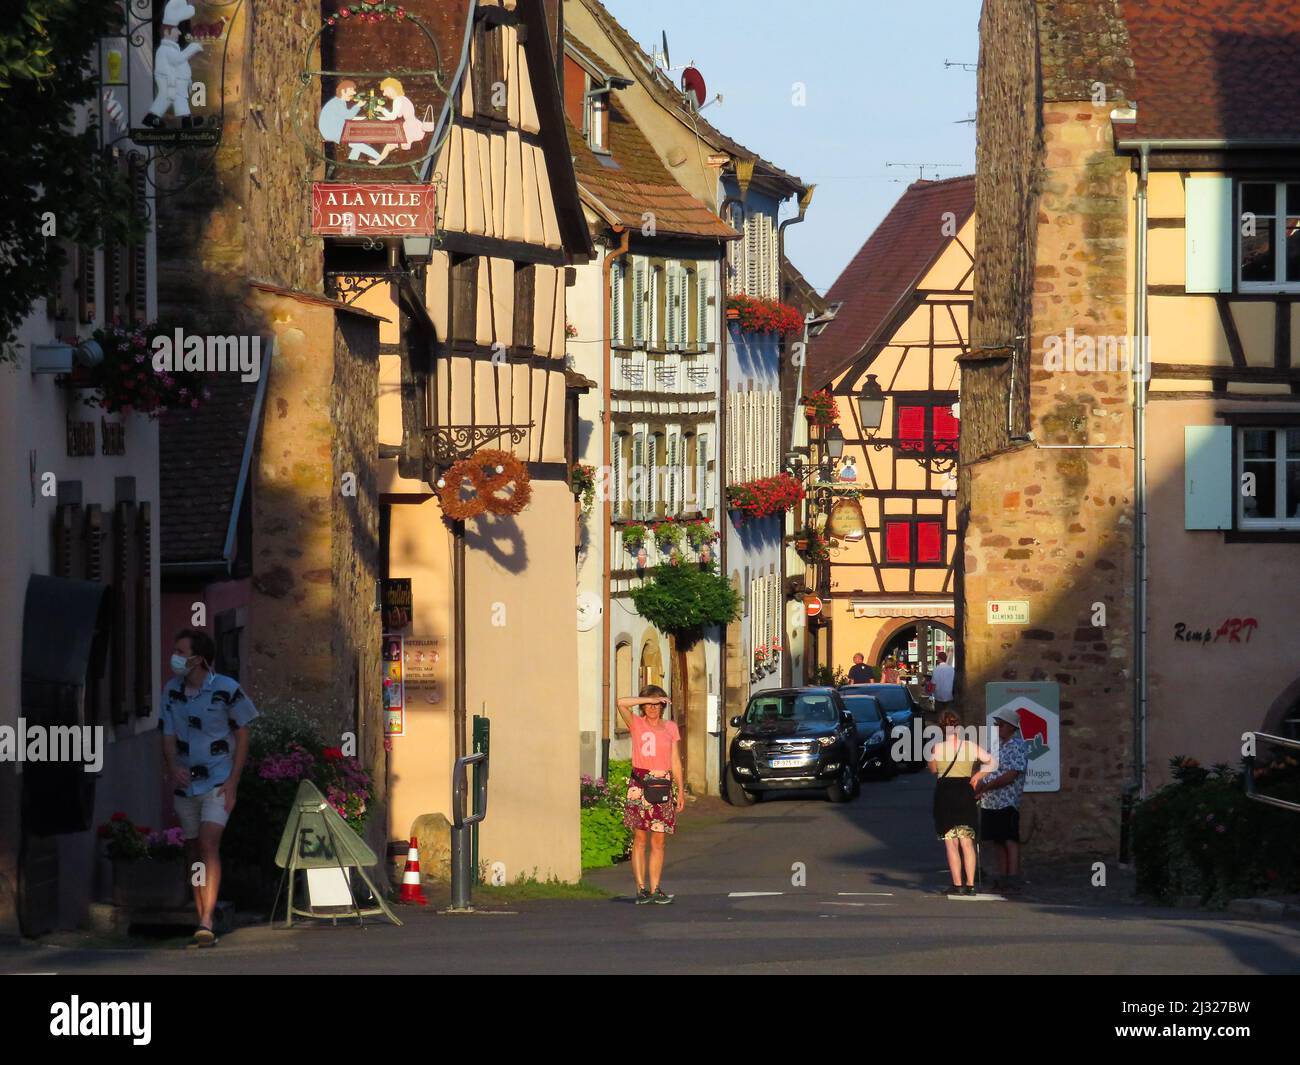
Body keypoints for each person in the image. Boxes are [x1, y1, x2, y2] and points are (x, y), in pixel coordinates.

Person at [160, 628, 259, 945]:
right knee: (193, 848)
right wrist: (172, 766)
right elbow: (167, 732)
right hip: (186, 784)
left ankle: (206, 917)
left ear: (198, 659)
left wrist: (233, 781)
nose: (174, 657)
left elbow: (243, 734)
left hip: (217, 781)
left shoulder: (226, 688)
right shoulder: (171, 690)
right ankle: (201, 914)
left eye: (180, 651)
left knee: (208, 842)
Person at [615, 685, 685, 905]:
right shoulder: (636, 723)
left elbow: (674, 760)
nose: (653, 708)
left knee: (659, 840)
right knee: (640, 838)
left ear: (663, 706)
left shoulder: (670, 727)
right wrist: (644, 699)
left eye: (657, 704)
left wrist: (680, 789)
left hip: (662, 784)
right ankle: (641, 888)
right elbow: (620, 703)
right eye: (649, 704)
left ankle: (655, 888)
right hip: (640, 784)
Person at [928, 710, 992, 896]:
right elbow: (992, 762)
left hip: (945, 794)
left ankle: (957, 884)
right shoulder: (970, 746)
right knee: (967, 841)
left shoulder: (937, 748)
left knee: (951, 843)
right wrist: (978, 775)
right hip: (965, 791)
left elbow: (933, 770)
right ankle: (971, 885)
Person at [975, 708, 1029, 893]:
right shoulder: (996, 746)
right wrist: (979, 782)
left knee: (1009, 839)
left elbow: (1010, 775)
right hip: (990, 802)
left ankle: (1013, 878)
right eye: (997, 724)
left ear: (1012, 727)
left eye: (1001, 724)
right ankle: (1002, 877)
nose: (998, 727)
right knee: (997, 840)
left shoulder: (1019, 746)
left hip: (1007, 801)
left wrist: (987, 786)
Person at [142, 1, 203, 129]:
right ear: (167, 33)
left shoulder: (172, 48)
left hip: (175, 81)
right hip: (168, 80)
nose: (179, 33)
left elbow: (181, 65)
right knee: (165, 99)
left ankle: (186, 122)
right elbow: (177, 60)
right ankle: (151, 119)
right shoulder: (165, 49)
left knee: (177, 100)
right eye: (176, 30)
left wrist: (188, 80)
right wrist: (192, 48)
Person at [371, 77, 435, 164]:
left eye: (385, 91)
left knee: (393, 146)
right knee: (391, 145)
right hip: (414, 124)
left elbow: (393, 117)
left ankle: (379, 161)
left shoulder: (397, 100)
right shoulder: (403, 98)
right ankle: (378, 161)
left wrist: (382, 110)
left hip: (410, 128)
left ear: (391, 89)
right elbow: (399, 115)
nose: (384, 94)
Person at [318, 80, 382, 162]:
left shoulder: (339, 101)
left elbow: (343, 117)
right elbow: (348, 116)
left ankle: (352, 159)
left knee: (356, 139)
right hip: (332, 132)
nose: (354, 93)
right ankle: (379, 157)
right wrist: (358, 106)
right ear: (343, 91)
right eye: (351, 90)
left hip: (335, 130)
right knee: (356, 140)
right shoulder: (337, 103)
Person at [930, 651, 955, 715]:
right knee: (949, 717)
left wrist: (931, 695)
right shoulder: (951, 669)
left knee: (940, 717)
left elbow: (933, 685)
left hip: (939, 697)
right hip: (949, 697)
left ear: (939, 659)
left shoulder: (936, 669)